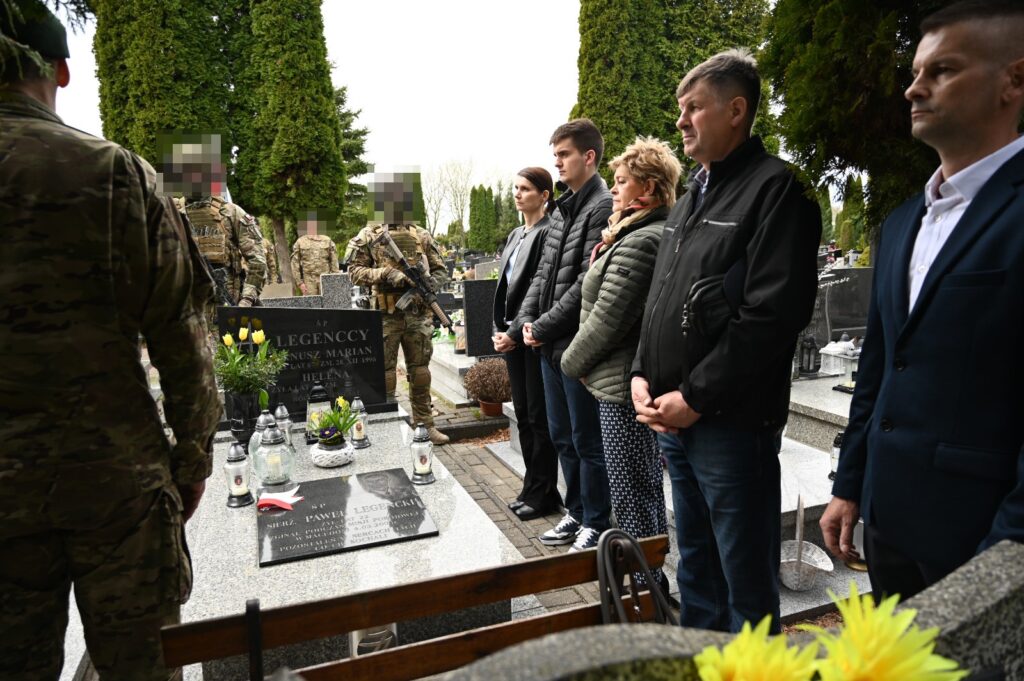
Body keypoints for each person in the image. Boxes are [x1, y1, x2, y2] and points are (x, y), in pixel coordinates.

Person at [0, 4, 221, 679]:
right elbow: (184, 338)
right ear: (61, 70)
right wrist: (191, 459)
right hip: (117, 484)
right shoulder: (113, 173)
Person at [821, 0, 1024, 602]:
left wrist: (1006, 560)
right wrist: (850, 484)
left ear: (1014, 80)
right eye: (915, 72)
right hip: (889, 529)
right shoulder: (903, 221)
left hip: (980, 537)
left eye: (943, 70)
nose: (914, 88)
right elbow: (880, 369)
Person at [630, 49, 821, 632]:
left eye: (694, 109)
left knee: (743, 584)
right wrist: (642, 373)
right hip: (676, 420)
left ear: (736, 110)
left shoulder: (777, 191)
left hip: (730, 426)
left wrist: (695, 398)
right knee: (698, 574)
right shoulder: (691, 199)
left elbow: (769, 319)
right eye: (680, 110)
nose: (681, 121)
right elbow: (660, 298)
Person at [561, 137, 681, 588]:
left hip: (619, 386)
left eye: (622, 182)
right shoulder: (632, 232)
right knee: (639, 486)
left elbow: (607, 320)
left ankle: (644, 585)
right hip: (614, 379)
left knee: (632, 490)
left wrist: (568, 364)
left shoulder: (641, 240)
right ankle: (644, 578)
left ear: (647, 190)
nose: (614, 190)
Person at [519, 119, 614, 552]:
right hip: (549, 346)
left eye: (563, 155)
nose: (556, 162)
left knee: (586, 440)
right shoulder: (563, 208)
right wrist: (526, 320)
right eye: (555, 155)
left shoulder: (602, 206)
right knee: (562, 436)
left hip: (576, 346)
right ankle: (575, 512)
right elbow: (544, 273)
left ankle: (597, 520)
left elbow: (584, 282)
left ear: (588, 157)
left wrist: (543, 326)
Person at [348, 171, 451, 445]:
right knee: (385, 374)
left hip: (417, 315)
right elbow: (354, 271)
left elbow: (442, 271)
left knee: (420, 372)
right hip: (385, 316)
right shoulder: (369, 235)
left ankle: (425, 426)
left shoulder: (422, 235)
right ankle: (388, 428)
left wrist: (425, 284)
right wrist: (385, 274)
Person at [492, 167, 562, 520]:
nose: (518, 194)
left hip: (531, 335)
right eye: (515, 188)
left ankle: (544, 492)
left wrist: (516, 331)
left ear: (544, 195)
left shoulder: (550, 232)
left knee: (538, 417)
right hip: (510, 335)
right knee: (522, 414)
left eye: (526, 189)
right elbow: (504, 287)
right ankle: (532, 486)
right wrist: (498, 328)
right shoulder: (516, 233)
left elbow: (538, 288)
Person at [165, 134, 267, 308]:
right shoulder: (171, 213)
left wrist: (246, 300)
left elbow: (257, 261)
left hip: (226, 307)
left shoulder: (230, 213)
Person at [291, 210, 341, 295]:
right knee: (312, 304)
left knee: (328, 302)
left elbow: (334, 261)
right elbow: (294, 263)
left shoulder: (327, 240)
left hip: (326, 278)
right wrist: (300, 283)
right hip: (309, 280)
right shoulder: (300, 242)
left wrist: (334, 279)